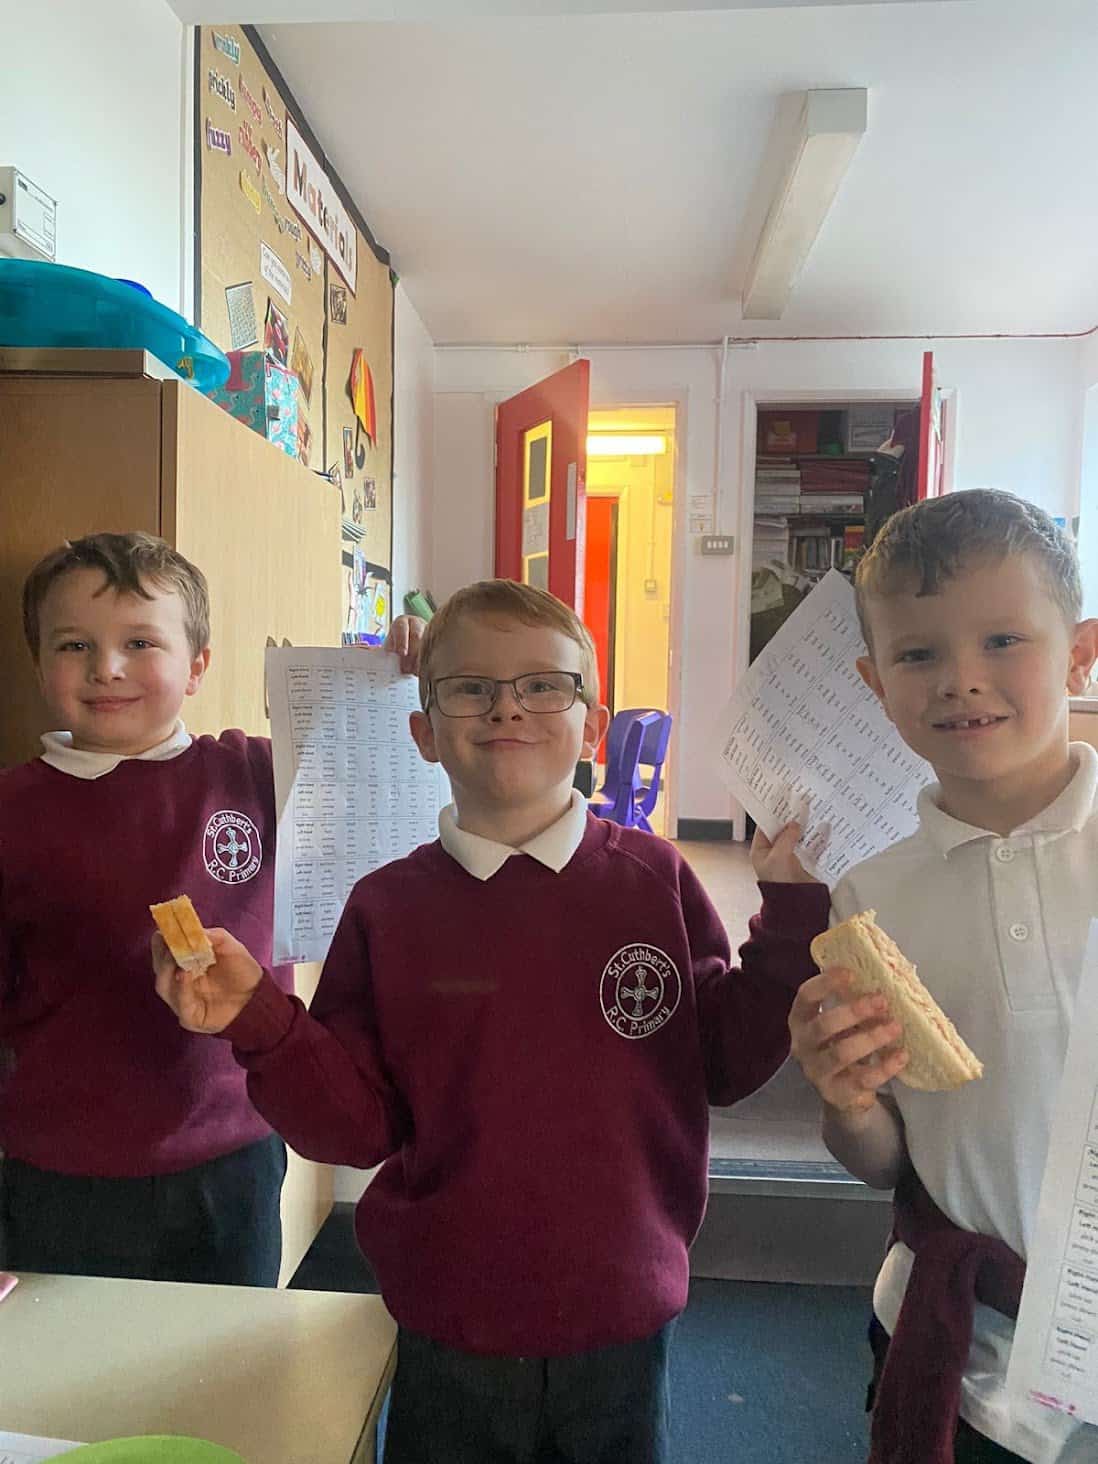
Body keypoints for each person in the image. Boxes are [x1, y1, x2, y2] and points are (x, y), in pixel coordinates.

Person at [155, 576, 828, 1464]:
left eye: (543, 685)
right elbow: (355, 1127)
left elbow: (728, 1062)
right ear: (424, 732)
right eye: (471, 687)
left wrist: (792, 922)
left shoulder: (654, 881)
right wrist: (260, 1020)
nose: (507, 707)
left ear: (593, 726)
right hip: (450, 1315)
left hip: (621, 1306)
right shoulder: (387, 907)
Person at [0, 531, 422, 1287]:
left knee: (228, 1356)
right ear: (38, 663)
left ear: (198, 666)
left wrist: (420, 671)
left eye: (139, 642)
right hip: (58, 1170)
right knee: (69, 1363)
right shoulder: (12, 809)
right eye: (73, 645)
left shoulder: (256, 773)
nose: (106, 667)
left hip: (233, 1157)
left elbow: (401, 785)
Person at [785, 490, 1098, 1464]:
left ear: (1081, 652)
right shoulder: (870, 900)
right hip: (966, 1353)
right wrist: (845, 1098)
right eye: (919, 654)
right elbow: (887, 1157)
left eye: (1004, 640)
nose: (962, 680)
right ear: (876, 684)